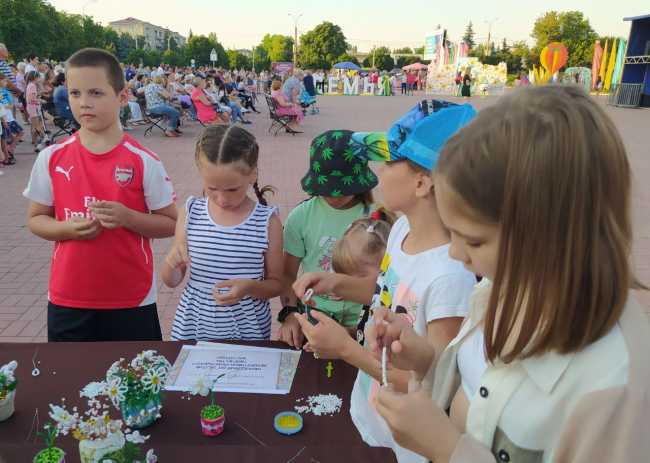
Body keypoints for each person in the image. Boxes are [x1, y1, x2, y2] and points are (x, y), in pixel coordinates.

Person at [365, 85, 650, 463]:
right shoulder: (502, 285)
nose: (455, 253)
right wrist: (424, 360)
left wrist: (448, 449)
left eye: (474, 241)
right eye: (453, 232)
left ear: (547, 232)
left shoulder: (612, 385)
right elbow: (477, 383)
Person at [292, 101, 478, 463]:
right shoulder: (403, 228)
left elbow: (436, 382)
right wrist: (333, 283)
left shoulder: (450, 278)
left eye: (389, 162)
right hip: (372, 412)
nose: (378, 170)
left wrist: (347, 350)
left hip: (407, 442)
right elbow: (390, 295)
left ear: (421, 182)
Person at [23, 48, 178, 342]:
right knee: (70, 370)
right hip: (69, 296)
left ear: (122, 97)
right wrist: (65, 228)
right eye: (75, 93)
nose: (84, 103)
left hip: (131, 297)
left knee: (135, 371)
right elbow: (36, 218)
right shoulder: (51, 157)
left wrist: (129, 218)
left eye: (96, 93)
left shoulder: (144, 160)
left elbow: (171, 223)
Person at [164, 124, 282, 341]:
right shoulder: (191, 212)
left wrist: (249, 287)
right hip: (194, 327)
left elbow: (275, 284)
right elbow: (171, 281)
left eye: (232, 189)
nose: (222, 198)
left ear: (252, 175)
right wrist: (172, 263)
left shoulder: (268, 222)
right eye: (212, 188)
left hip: (247, 332)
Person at [277, 130, 378, 348]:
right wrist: (290, 314)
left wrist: (347, 286)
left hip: (362, 324)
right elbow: (287, 274)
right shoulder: (301, 216)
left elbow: (384, 280)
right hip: (312, 320)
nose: (333, 197)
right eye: (326, 189)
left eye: (341, 190)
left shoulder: (377, 218)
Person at [0, 73, 25, 163]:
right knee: (4, 138)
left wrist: (3, 107)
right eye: (4, 81)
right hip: (4, 118)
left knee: (21, 131)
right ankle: (6, 155)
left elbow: (11, 105)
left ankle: (11, 149)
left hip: (10, 117)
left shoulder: (5, 91)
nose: (6, 83)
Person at [24, 71, 48, 152]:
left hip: (31, 107)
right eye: (39, 77)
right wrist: (41, 100)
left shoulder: (29, 85)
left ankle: (39, 142)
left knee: (34, 126)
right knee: (35, 128)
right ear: (35, 78)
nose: (40, 79)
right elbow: (31, 99)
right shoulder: (33, 86)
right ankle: (36, 145)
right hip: (34, 108)